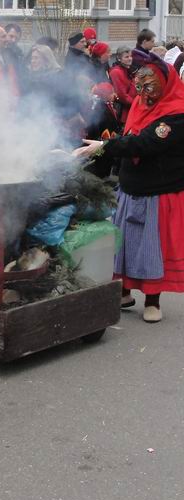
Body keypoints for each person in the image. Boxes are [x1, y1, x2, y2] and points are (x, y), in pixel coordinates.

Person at [73, 51, 184, 323]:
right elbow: (129, 136)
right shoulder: (140, 105)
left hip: (159, 191)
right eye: (140, 84)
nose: (144, 91)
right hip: (131, 186)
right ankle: (123, 292)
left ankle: (153, 301)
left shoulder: (176, 113)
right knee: (124, 243)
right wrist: (101, 149)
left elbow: (144, 144)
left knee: (150, 248)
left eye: (150, 85)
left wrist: (105, 146)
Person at [109, 46, 137, 125]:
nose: (130, 59)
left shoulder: (128, 70)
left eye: (131, 56)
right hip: (123, 111)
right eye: (126, 57)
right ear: (119, 58)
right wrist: (135, 104)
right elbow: (122, 95)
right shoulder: (116, 72)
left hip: (130, 109)